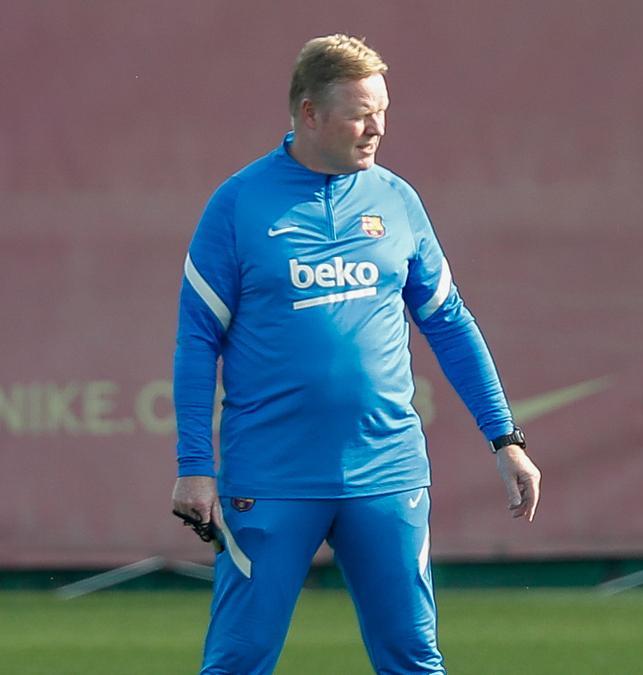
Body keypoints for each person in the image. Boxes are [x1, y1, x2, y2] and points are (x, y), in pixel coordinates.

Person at [170, 34, 541, 674]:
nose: (377, 129)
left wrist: (505, 439)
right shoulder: (237, 205)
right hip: (271, 477)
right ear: (309, 114)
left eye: (383, 111)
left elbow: (449, 323)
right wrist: (194, 464)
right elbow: (197, 339)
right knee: (238, 660)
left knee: (413, 659)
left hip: (388, 472)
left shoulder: (397, 199)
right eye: (360, 113)